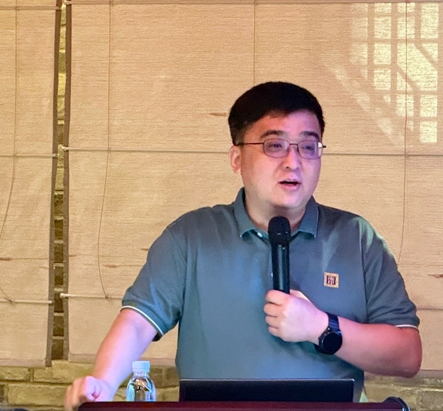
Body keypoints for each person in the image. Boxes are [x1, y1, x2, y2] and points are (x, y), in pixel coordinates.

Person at [64, 81, 422, 410]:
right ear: (237, 158)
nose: (293, 162)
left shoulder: (356, 238)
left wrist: (321, 327)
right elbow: (138, 323)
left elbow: (406, 355)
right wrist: (103, 383)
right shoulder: (191, 236)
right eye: (274, 145)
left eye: (308, 147)